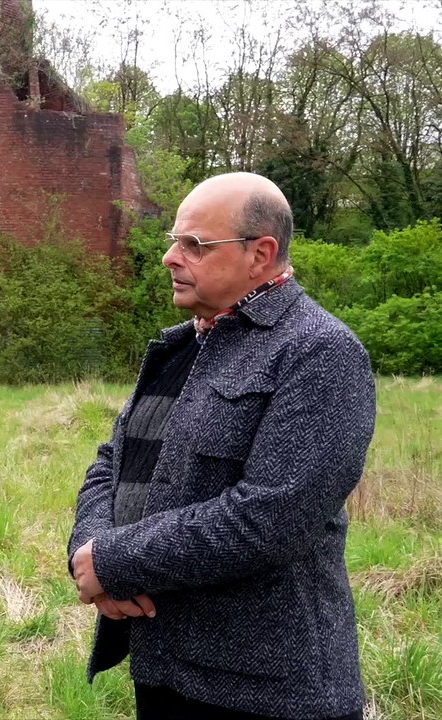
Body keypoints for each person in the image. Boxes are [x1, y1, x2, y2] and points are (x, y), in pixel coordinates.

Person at [67, 172, 375, 720]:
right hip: (164, 665)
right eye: (173, 241)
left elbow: (273, 518)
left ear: (261, 254)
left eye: (195, 245)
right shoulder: (185, 345)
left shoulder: (321, 352)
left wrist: (116, 561)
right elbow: (113, 463)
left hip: (268, 690)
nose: (170, 258)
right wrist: (92, 552)